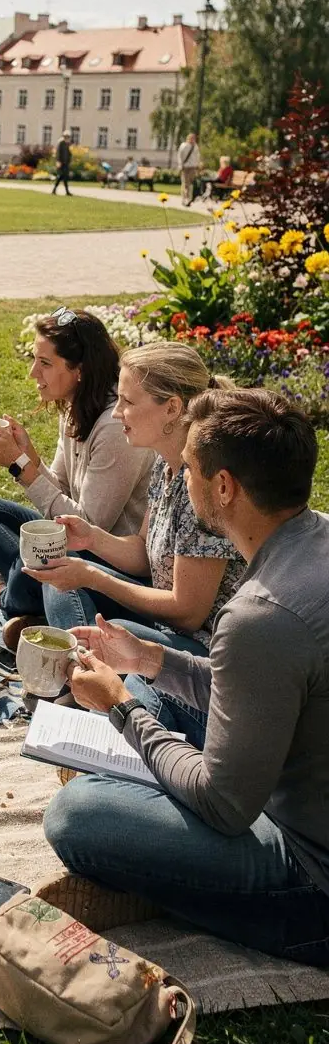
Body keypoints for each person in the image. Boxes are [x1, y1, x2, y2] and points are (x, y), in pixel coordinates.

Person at [44, 390, 329, 964]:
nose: (182, 481)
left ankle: (168, 891)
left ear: (224, 487)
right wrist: (149, 660)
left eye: (191, 470)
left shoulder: (262, 616)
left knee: (78, 814)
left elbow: (224, 805)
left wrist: (122, 705)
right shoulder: (315, 538)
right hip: (295, 780)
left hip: (309, 873)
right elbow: (256, 685)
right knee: (154, 693)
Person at [27, 343, 245, 691]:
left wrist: (95, 578)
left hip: (197, 653)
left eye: (127, 402)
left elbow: (188, 612)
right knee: (62, 576)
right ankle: (84, 676)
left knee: (106, 621)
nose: (116, 414)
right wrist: (92, 539)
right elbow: (144, 554)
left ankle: (86, 683)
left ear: (172, 408)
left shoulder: (202, 486)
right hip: (163, 622)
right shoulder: (166, 462)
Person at [0, 309, 154, 649]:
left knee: (47, 561)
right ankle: (31, 592)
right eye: (34, 360)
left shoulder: (114, 429)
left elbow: (86, 525)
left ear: (79, 370)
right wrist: (29, 458)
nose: (33, 372)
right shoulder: (75, 408)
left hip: (111, 559)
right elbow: (59, 492)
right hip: (73, 540)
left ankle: (7, 594)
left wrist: (20, 466)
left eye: (45, 363)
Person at [177, 133, 201, 205]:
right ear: (188, 138)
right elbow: (179, 155)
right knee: (185, 183)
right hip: (185, 167)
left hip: (193, 167)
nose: (193, 139)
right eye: (191, 138)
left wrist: (197, 165)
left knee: (190, 183)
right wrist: (180, 165)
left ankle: (187, 198)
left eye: (194, 138)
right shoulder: (183, 145)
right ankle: (186, 199)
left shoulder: (195, 146)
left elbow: (197, 156)